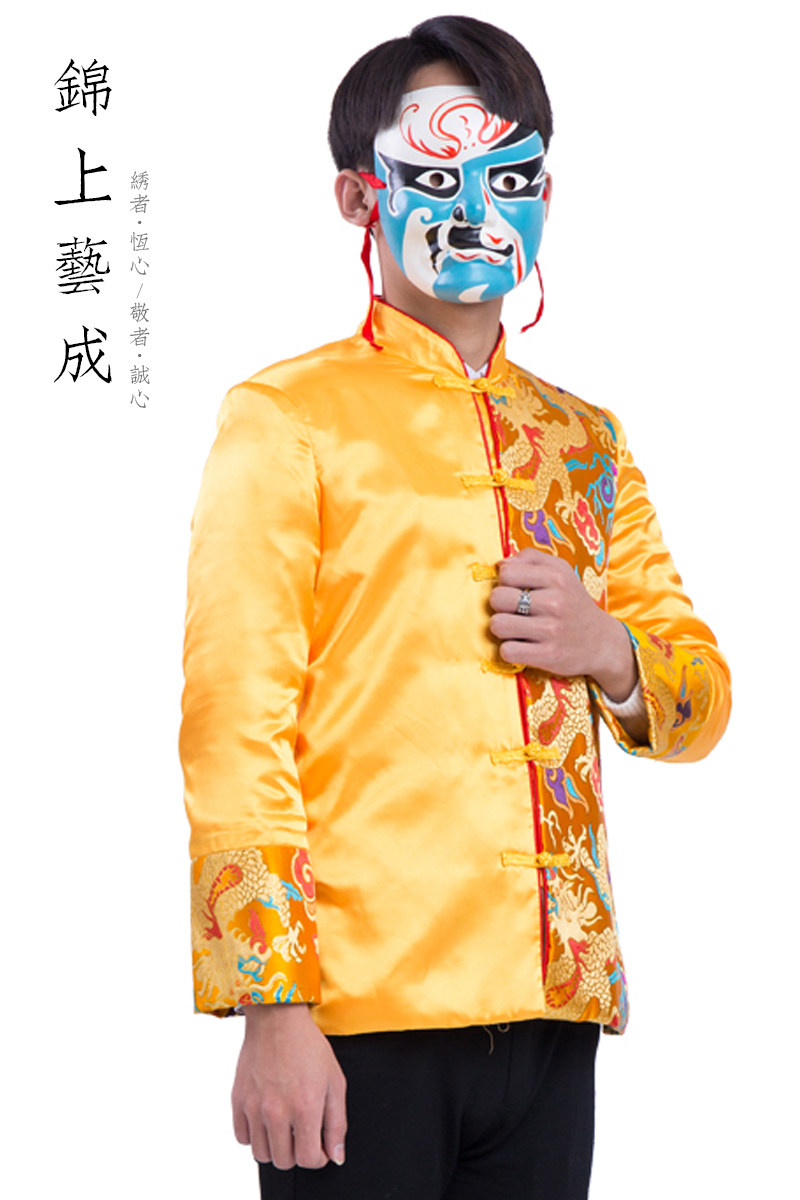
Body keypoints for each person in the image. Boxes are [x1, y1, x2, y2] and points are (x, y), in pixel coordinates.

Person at [180, 16, 731, 1199]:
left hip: (553, 1011)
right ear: (357, 195)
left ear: (545, 194)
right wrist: (271, 1005)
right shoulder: (286, 419)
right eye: (433, 179)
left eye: (510, 176)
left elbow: (699, 702)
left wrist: (609, 650)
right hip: (357, 1016)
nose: (479, 210)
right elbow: (234, 721)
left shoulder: (584, 442)